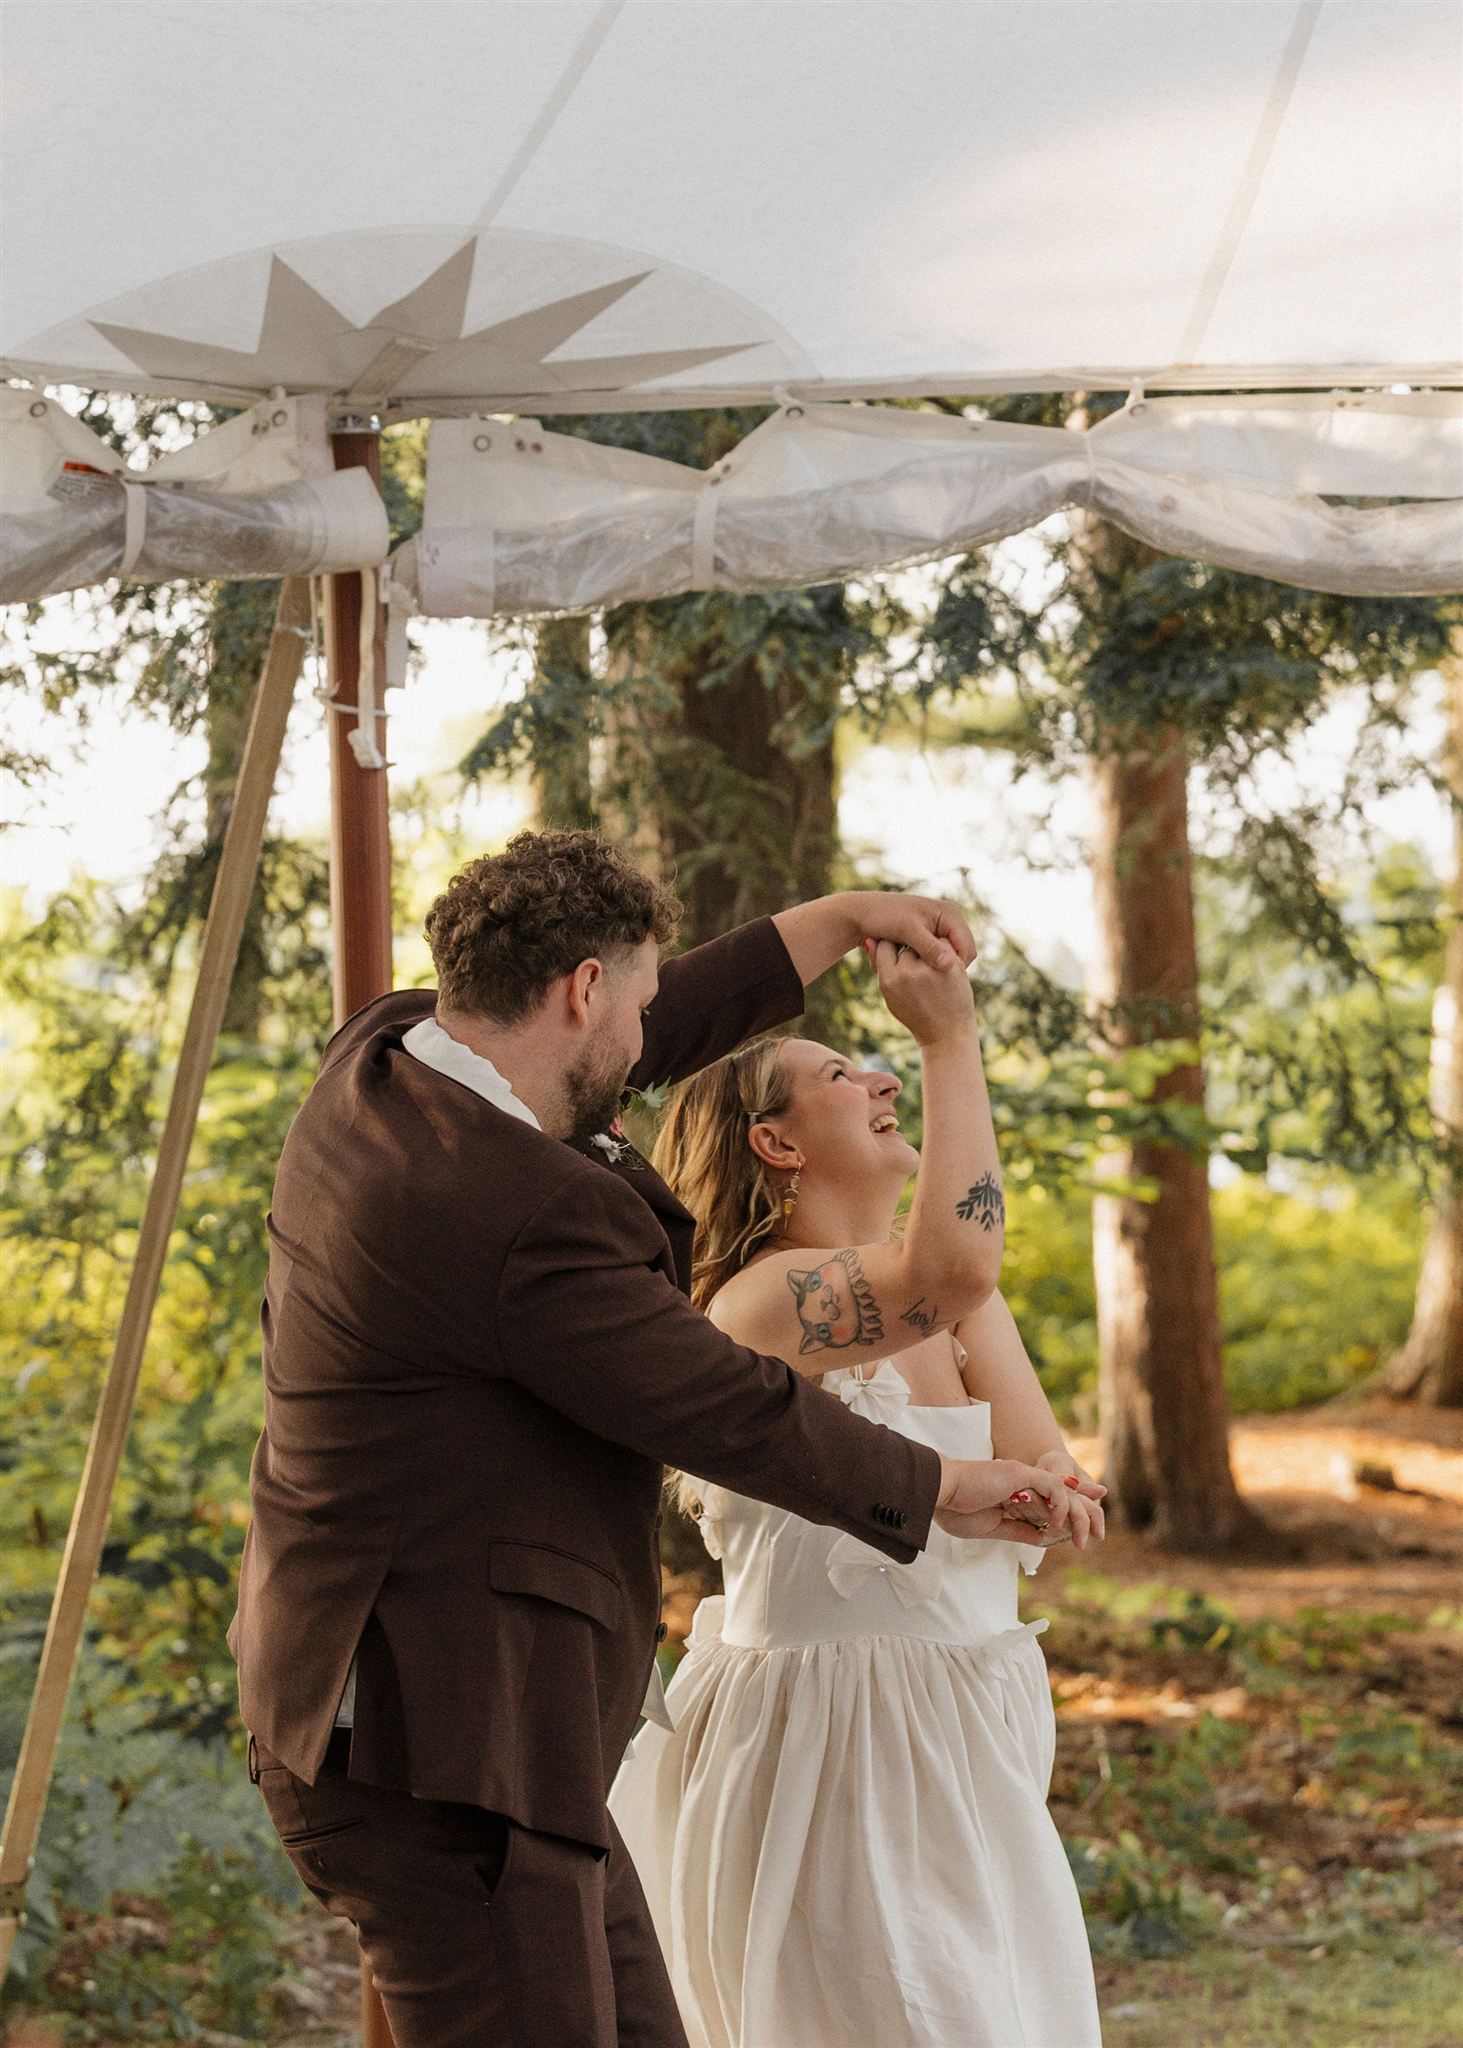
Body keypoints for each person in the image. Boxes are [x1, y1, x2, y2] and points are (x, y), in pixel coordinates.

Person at [229, 831, 1091, 2048]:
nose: (650, 1042)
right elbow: (724, 1403)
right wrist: (940, 1481)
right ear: (583, 988)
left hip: (488, 1741)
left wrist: (840, 916)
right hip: (440, 1747)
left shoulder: (388, 1054)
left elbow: (652, 1020)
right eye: (634, 1003)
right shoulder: (514, 1208)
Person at [609, 936, 1106, 2047]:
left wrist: (1051, 1493)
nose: (880, 1081)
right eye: (840, 1074)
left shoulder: (956, 1303)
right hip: (829, 1740)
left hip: (968, 1720)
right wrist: (947, 1036)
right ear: (775, 1142)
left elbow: (1043, 1458)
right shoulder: (756, 1303)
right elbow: (949, 1265)